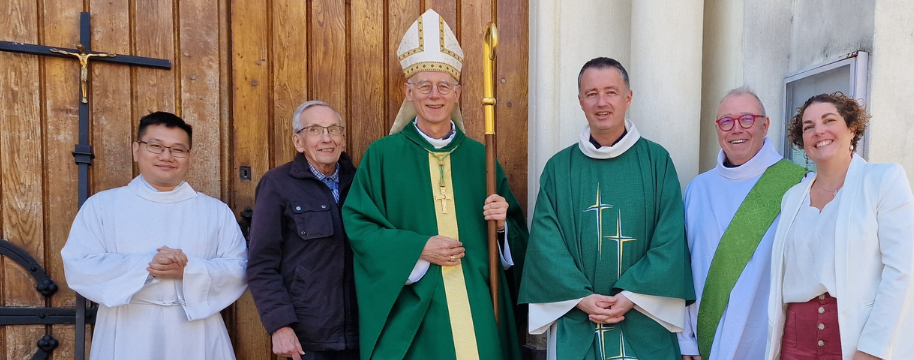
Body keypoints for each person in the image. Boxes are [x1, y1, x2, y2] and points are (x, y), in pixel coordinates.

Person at [341, 9, 529, 360]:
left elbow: (516, 236)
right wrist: (418, 249)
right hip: (415, 307)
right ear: (407, 91)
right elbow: (359, 226)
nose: (434, 95)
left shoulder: (480, 159)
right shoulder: (383, 155)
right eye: (424, 86)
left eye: (443, 86)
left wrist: (503, 227)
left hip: (477, 300)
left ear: (457, 92)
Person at [518, 57, 695, 360]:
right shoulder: (560, 168)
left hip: (642, 317)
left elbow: (670, 238)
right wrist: (582, 297)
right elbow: (547, 245)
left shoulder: (656, 162)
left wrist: (630, 296)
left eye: (611, 92)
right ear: (580, 101)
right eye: (591, 94)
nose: (602, 102)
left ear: (628, 98)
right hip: (578, 314)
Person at [61, 111, 247, 359]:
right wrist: (147, 266)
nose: (166, 156)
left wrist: (188, 271)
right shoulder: (103, 206)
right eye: (156, 146)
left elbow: (240, 268)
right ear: (136, 149)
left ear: (189, 157)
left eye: (178, 149)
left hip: (197, 331)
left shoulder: (215, 212)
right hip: (126, 328)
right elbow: (79, 265)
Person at [766, 93, 914, 360]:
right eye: (808, 126)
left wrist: (872, 349)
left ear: (852, 129)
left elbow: (902, 271)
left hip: (857, 340)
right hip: (796, 343)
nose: (818, 130)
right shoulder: (792, 198)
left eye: (828, 120)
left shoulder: (883, 181)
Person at [677, 88, 806, 360]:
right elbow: (682, 268)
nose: (736, 129)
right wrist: (685, 339)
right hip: (704, 343)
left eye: (746, 119)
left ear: (765, 124)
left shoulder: (797, 185)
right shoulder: (697, 190)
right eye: (726, 121)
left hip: (769, 342)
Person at [248, 101, 359, 360]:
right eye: (315, 130)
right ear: (298, 142)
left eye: (334, 129)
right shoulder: (277, 184)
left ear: (343, 138)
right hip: (308, 334)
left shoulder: (362, 181)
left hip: (362, 330)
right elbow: (261, 264)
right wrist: (280, 325)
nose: (326, 138)